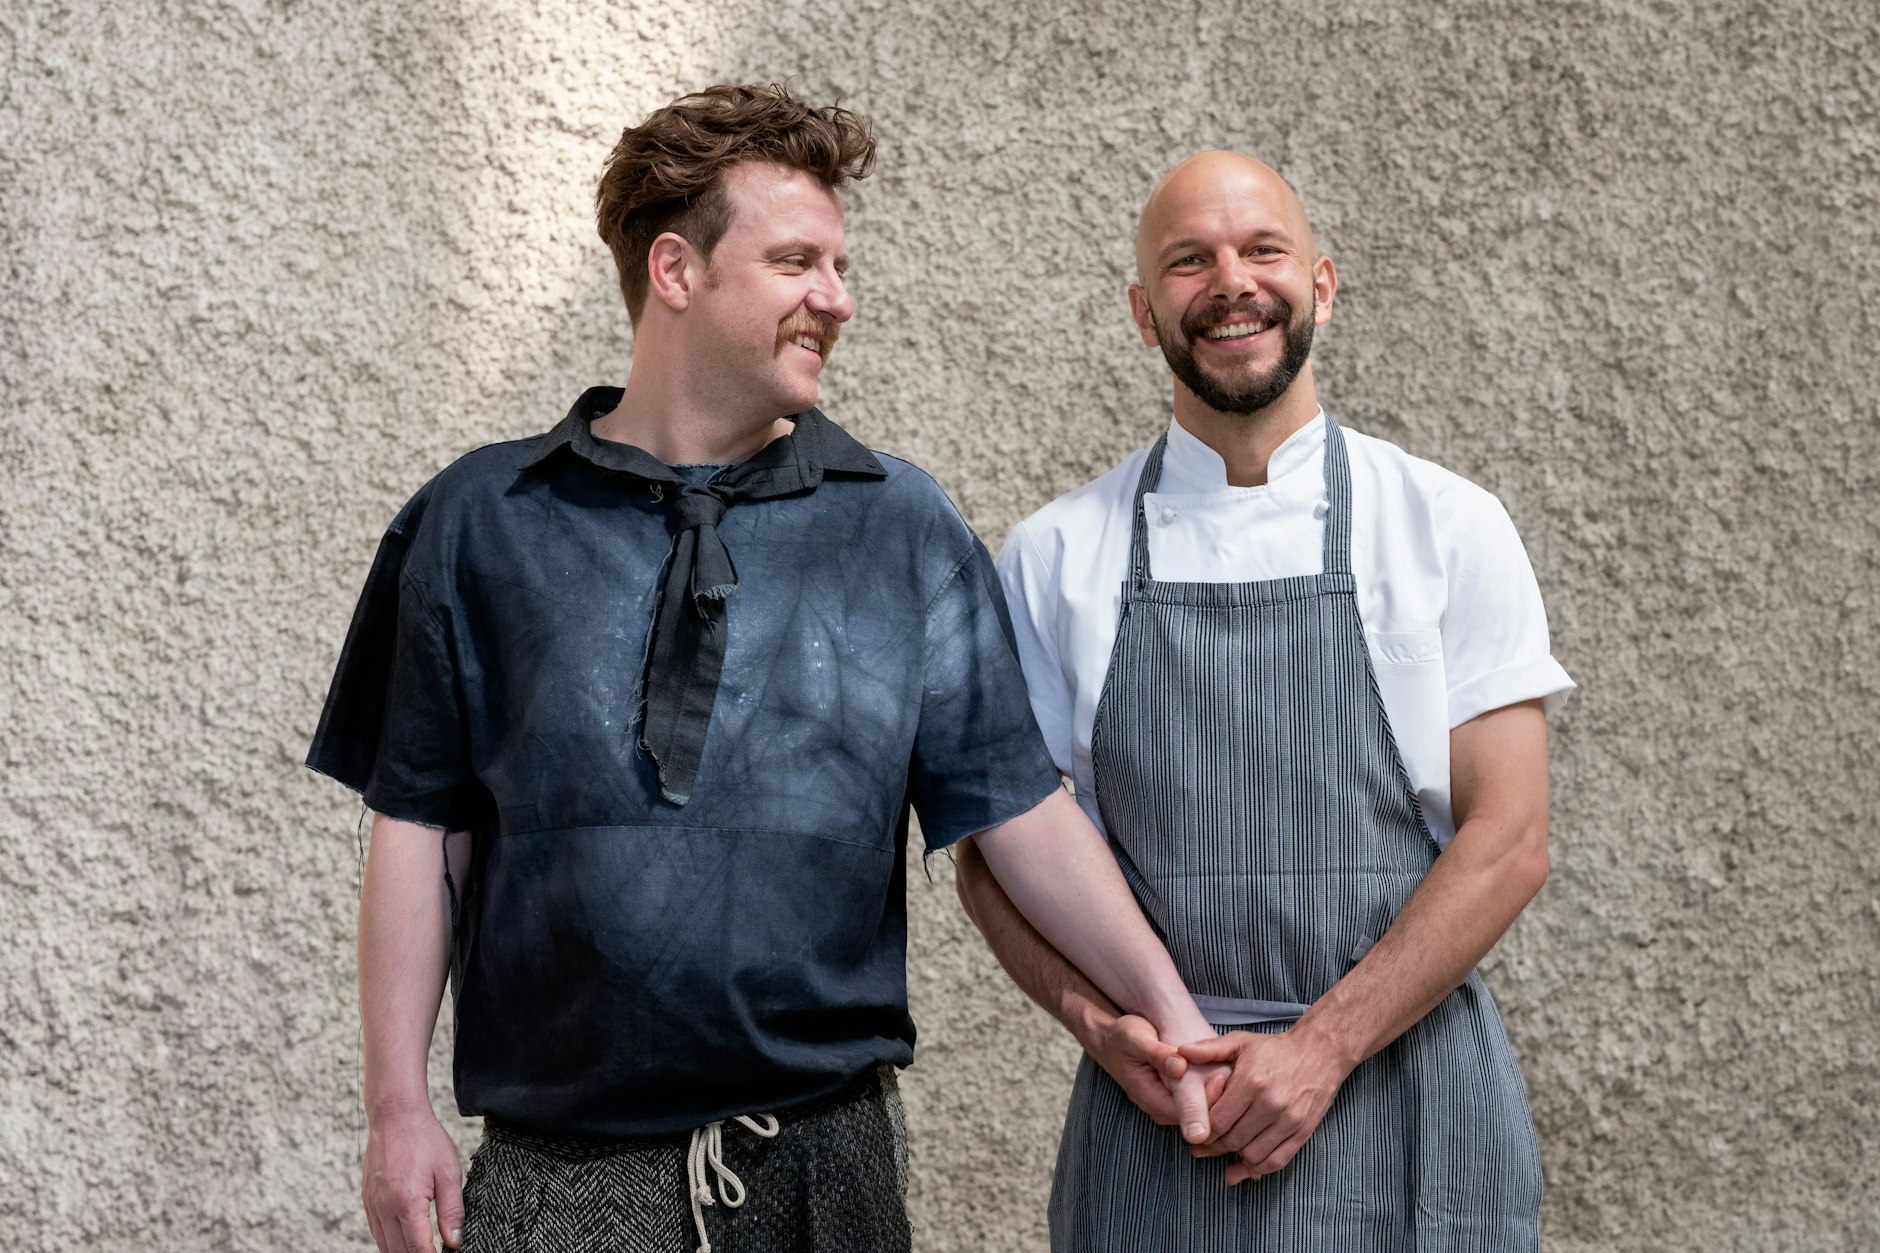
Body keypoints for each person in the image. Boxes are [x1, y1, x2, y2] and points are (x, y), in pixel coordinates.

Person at [306, 85, 1222, 1253]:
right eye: (797, 261)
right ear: (677, 270)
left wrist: (1173, 1014)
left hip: (822, 1176)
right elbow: (418, 833)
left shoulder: (897, 525)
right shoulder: (480, 520)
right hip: (556, 1180)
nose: (835, 299)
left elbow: (1018, 812)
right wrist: (396, 1109)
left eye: (837, 265)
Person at [957, 150, 1576, 1250]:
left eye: (1261, 250)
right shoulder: (1055, 555)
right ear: (1145, 314)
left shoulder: (1444, 524)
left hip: (1410, 1113)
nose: (1229, 281)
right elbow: (993, 853)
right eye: (1188, 261)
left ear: (1322, 284)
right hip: (1166, 1120)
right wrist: (1100, 1029)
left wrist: (1321, 1046)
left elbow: (1510, 838)